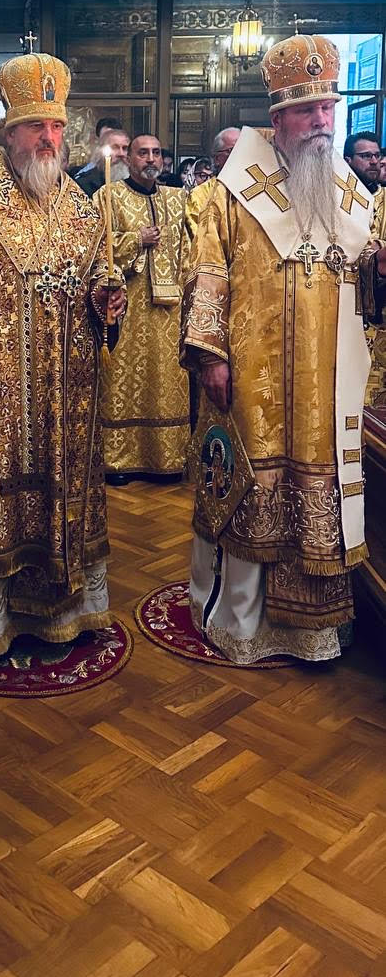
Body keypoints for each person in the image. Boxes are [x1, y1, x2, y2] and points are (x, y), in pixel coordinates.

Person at [181, 33, 386, 665]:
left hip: (327, 382)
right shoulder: (233, 190)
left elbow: (362, 279)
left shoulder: (349, 193)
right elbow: (207, 273)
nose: (321, 121)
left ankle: (313, 627)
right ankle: (240, 621)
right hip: (255, 375)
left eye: (327, 108)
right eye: (306, 111)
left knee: (320, 486)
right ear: (278, 118)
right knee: (252, 487)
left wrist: (378, 270)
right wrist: (211, 355)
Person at [0, 51, 126, 655]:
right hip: (2, 386)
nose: (48, 138)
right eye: (36, 126)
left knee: (71, 485)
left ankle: (69, 611)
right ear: (10, 131)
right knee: (1, 493)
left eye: (57, 126)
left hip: (72, 385)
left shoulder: (80, 203)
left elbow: (95, 276)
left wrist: (106, 298)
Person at [93, 134, 190, 484]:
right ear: (129, 159)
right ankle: (120, 461)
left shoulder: (178, 199)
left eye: (157, 153)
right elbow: (94, 245)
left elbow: (189, 249)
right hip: (127, 305)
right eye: (143, 153)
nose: (151, 159)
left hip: (170, 311)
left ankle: (167, 458)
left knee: (167, 382)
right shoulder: (108, 195)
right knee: (123, 379)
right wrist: (136, 239)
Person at [75, 128, 130, 197]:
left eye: (125, 148)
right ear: (101, 152)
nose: (121, 154)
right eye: (115, 147)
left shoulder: (138, 182)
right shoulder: (84, 184)